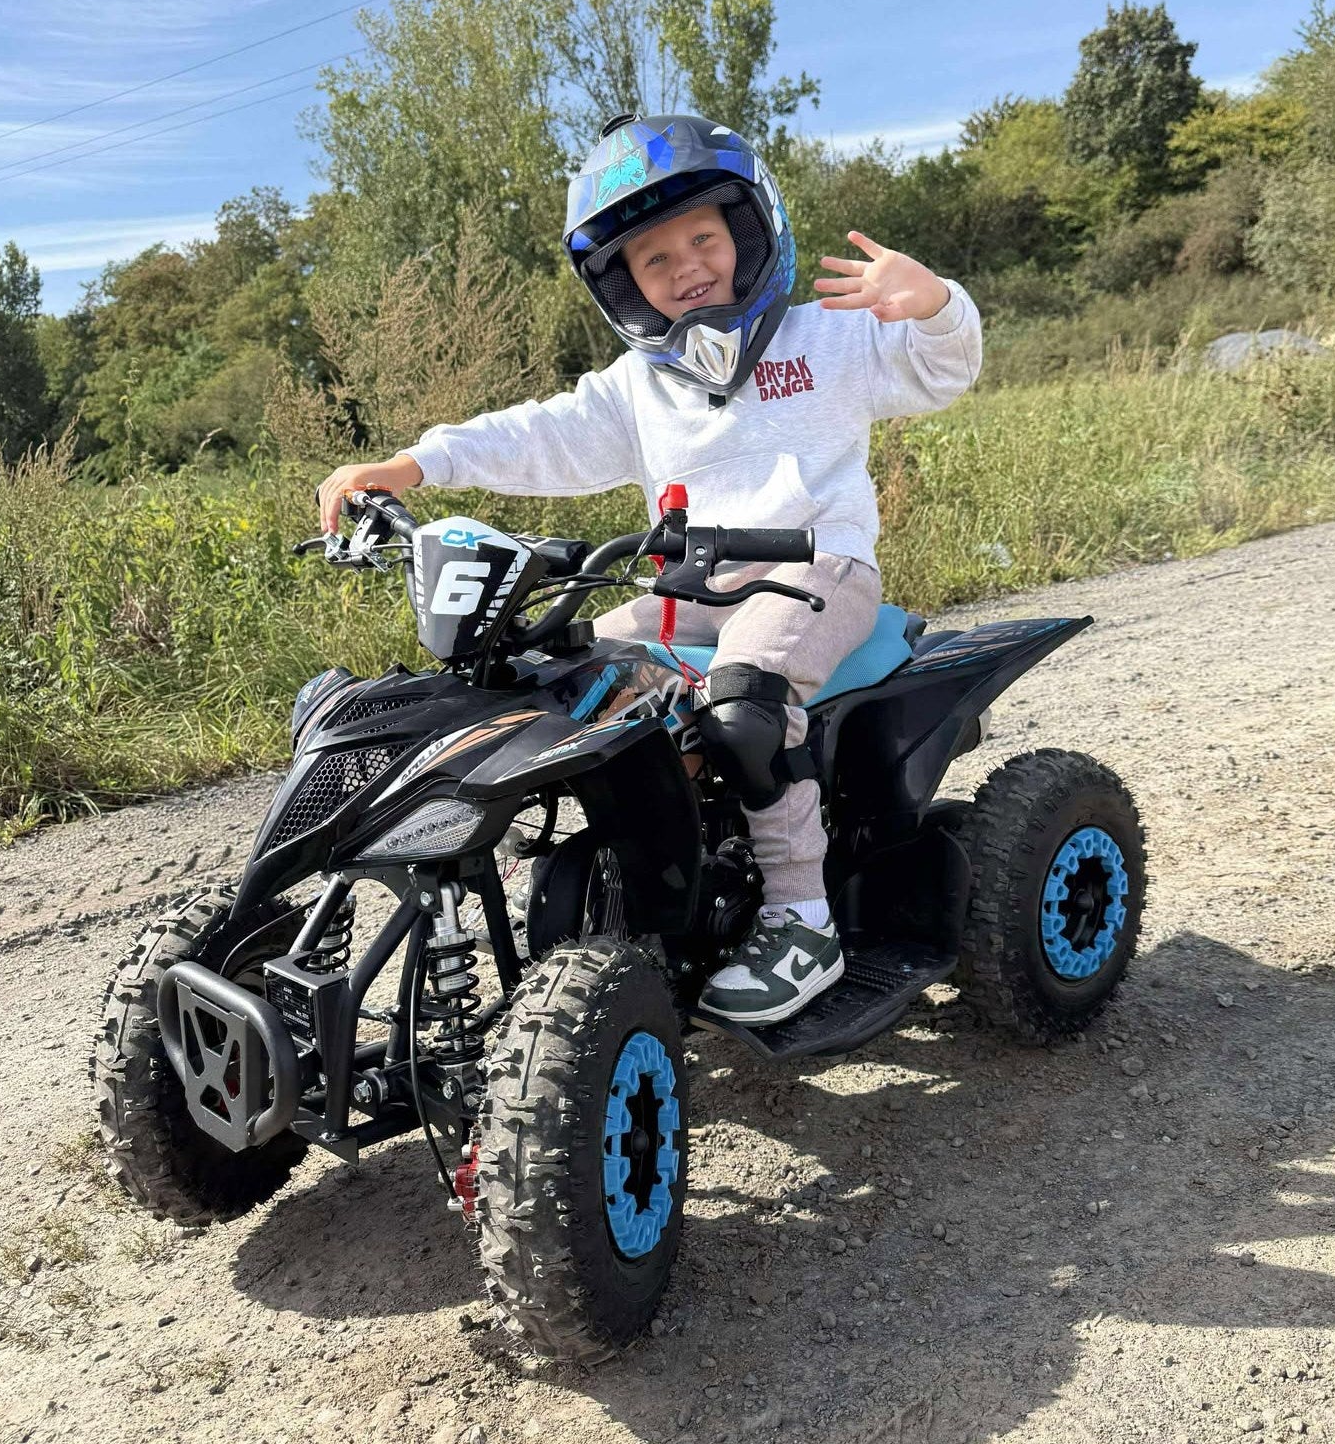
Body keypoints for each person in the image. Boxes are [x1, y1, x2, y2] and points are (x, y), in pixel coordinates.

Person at [316, 111, 982, 1026]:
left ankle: (802, 921)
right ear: (623, 283)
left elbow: (943, 371)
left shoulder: (824, 337)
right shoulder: (640, 386)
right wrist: (416, 464)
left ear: (749, 229)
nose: (685, 268)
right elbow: (539, 434)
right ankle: (627, 878)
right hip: (687, 592)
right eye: (654, 258)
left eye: (702, 238)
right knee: (553, 681)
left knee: (746, 696)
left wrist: (936, 305)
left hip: (818, 572)